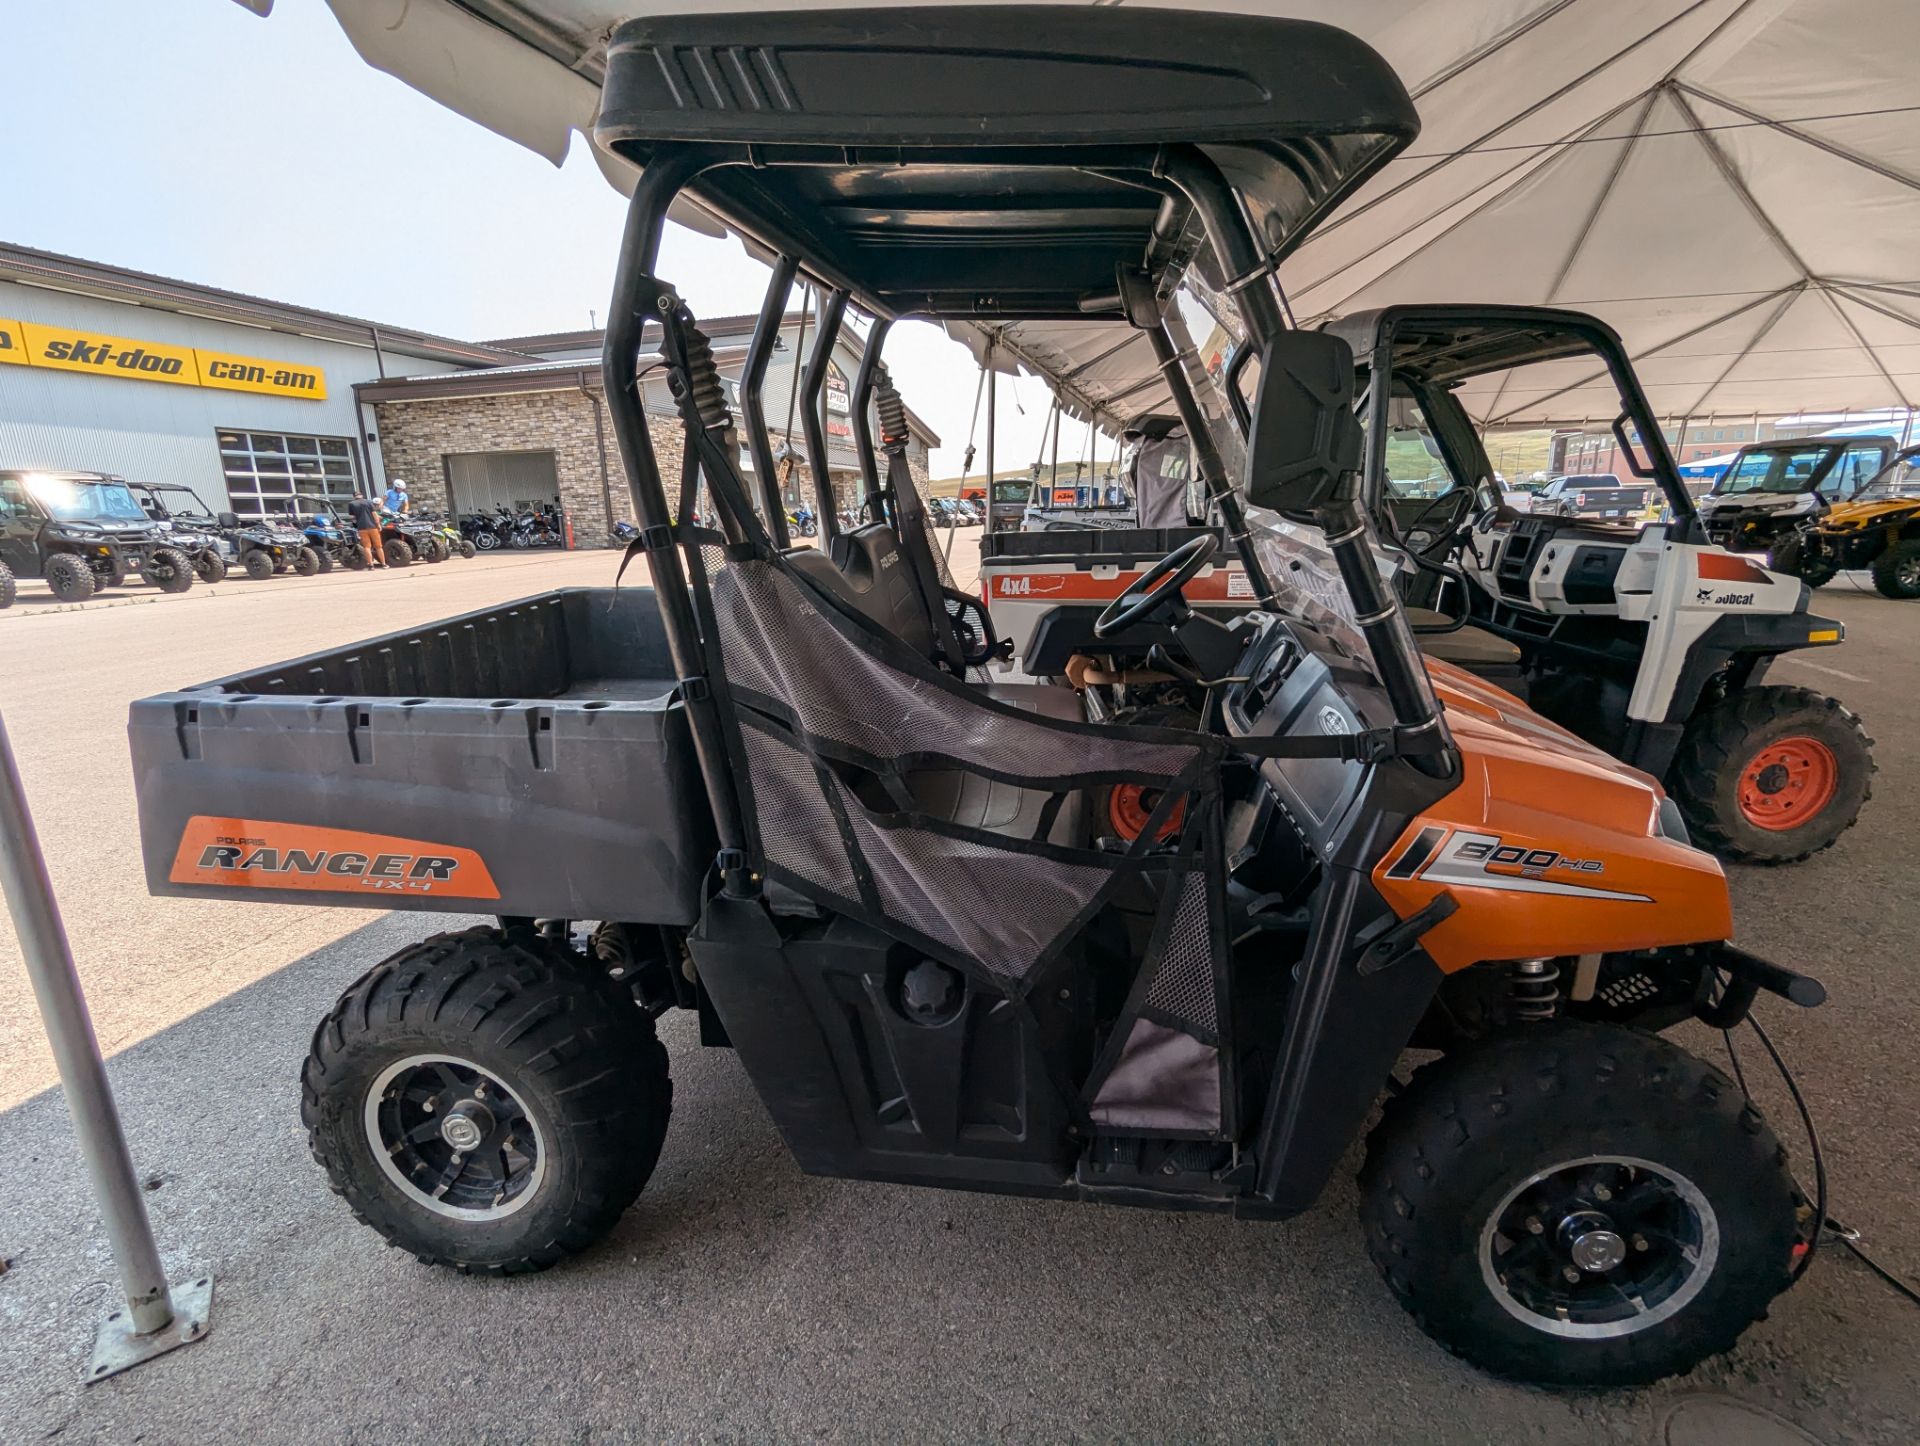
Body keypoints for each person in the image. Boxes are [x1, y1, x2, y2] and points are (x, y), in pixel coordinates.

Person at [347, 493, 384, 568]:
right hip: (373, 527)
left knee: (367, 547)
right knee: (378, 547)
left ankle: (371, 565)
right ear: (362, 495)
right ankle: (384, 564)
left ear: (354, 497)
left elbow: (352, 517)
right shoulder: (369, 502)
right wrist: (378, 524)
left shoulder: (351, 504)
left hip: (362, 528)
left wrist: (356, 524)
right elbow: (374, 514)